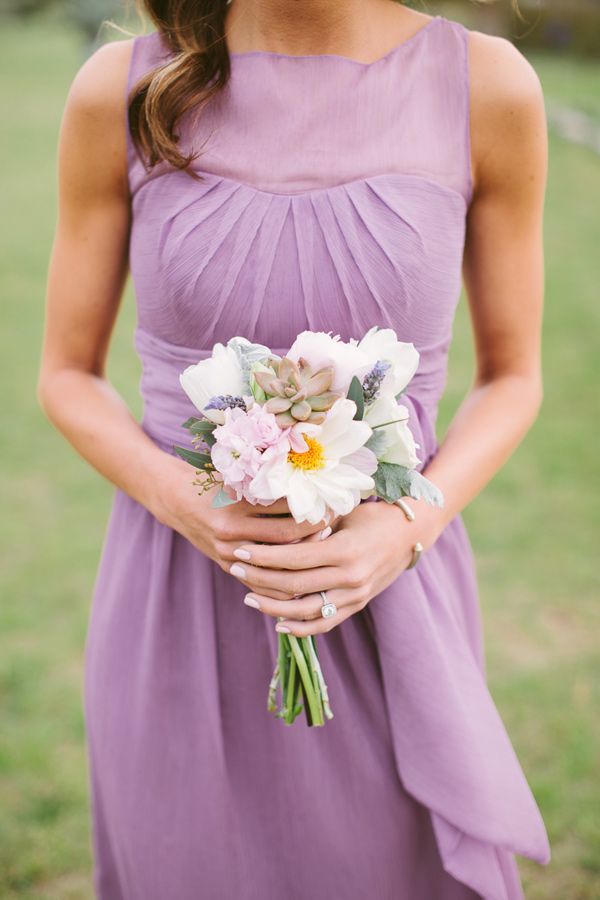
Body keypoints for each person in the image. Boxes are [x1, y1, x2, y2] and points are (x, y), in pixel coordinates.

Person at [37, 1, 551, 897]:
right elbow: (66, 375)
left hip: (391, 592)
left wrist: (403, 526)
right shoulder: (123, 91)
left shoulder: (487, 85)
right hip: (179, 603)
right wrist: (183, 499)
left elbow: (513, 377)